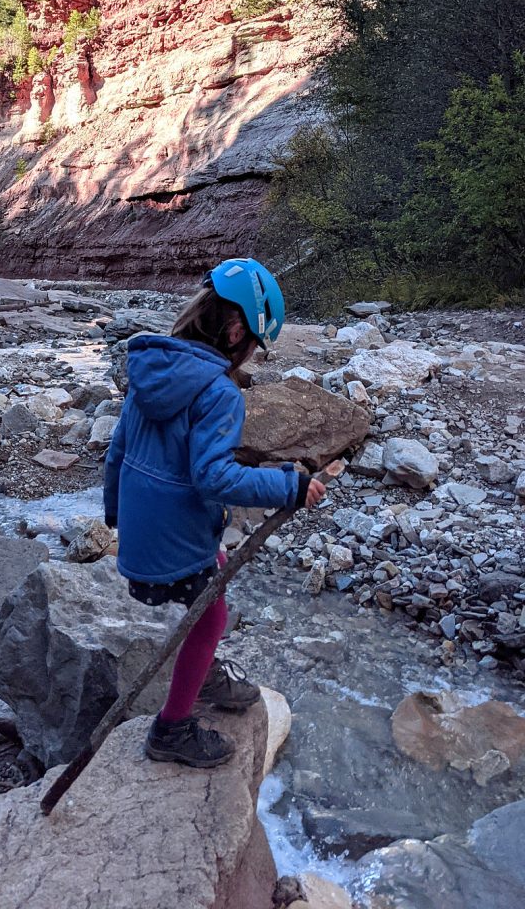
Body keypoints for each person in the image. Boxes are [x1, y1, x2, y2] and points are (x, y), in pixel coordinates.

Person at [104, 258, 326, 769]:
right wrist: (289, 486)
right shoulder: (219, 392)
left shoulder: (151, 368)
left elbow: (116, 451)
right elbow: (214, 478)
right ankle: (172, 727)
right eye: (254, 344)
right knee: (212, 616)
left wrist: (117, 513)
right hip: (176, 540)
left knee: (214, 581)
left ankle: (202, 675)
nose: (251, 355)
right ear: (233, 331)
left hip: (144, 535)